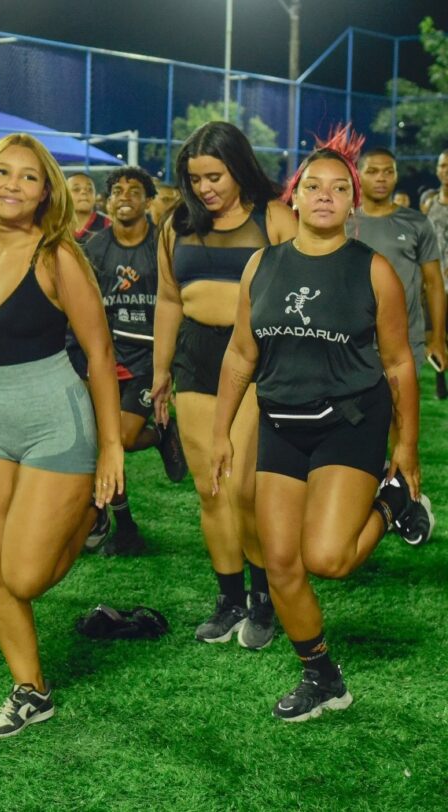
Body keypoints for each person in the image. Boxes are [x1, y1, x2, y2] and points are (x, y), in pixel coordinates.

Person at [210, 134, 419, 721]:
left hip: (350, 421)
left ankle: (392, 502)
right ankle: (322, 677)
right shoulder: (263, 264)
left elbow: (400, 363)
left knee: (328, 559)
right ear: (293, 197)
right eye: (313, 186)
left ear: (353, 203)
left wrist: (406, 449)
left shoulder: (373, 271)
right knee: (280, 564)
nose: (325, 196)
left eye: (339, 188)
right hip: (282, 421)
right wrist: (222, 430)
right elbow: (239, 354)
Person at [0, 133, 124, 737]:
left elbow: (100, 354)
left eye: (29, 177)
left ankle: (90, 514)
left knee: (25, 575)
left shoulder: (59, 256)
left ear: (46, 190)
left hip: (56, 417)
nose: (12, 186)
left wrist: (110, 448)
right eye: (3, 172)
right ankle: (31, 690)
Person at [152, 121, 297, 649]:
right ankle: (229, 599)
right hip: (195, 355)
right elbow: (169, 300)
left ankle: (263, 598)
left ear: (239, 167)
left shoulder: (274, 218)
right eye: (195, 179)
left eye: (214, 175)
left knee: (243, 487)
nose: (205, 187)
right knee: (209, 487)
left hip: (255, 359)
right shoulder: (176, 224)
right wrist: (160, 369)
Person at [70, 166, 188, 557]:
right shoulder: (93, 249)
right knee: (95, 442)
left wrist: (167, 363)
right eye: (117, 190)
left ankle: (160, 435)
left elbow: (177, 304)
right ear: (107, 200)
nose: (125, 197)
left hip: (145, 358)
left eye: (135, 191)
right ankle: (120, 524)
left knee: (120, 437)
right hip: (104, 356)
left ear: (148, 201)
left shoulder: (163, 245)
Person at [350, 147, 442, 545]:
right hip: (352, 344)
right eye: (373, 171)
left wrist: (438, 336)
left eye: (389, 171)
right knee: (358, 424)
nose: (382, 178)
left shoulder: (416, 223)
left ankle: (415, 504)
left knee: (401, 423)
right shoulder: (344, 221)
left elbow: (433, 283)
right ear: (360, 175)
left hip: (405, 344)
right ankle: (375, 497)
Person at [424, 149, 448, 398]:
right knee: (434, 333)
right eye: (443, 166)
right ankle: (441, 379)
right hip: (435, 281)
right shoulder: (430, 204)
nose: (446, 171)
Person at [67, 172, 109, 244]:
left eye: (89, 189)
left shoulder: (108, 225)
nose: (84, 192)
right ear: (65, 195)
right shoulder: (55, 227)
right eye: (76, 189)